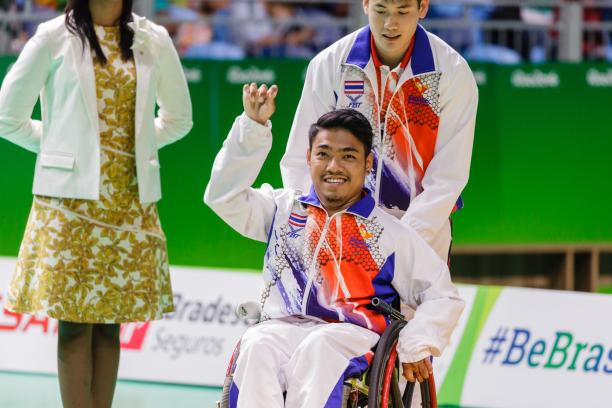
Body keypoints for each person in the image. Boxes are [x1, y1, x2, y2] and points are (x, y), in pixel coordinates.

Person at [204, 83, 464, 407]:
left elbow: (442, 295)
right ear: (308, 157)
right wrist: (252, 128)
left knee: (320, 347)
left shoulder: (390, 233)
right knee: (256, 343)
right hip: (282, 329)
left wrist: (418, 343)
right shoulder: (282, 209)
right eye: (323, 154)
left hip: (349, 335)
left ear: (368, 163)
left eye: (348, 156)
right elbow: (223, 197)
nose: (333, 167)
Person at [0, 0, 192, 406]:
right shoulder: (53, 37)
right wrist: (63, 149)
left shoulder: (152, 39)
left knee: (110, 325)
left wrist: (134, 150)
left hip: (129, 199)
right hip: (68, 204)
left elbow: (178, 119)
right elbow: (7, 116)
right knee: (73, 325)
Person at [280, 0, 478, 262]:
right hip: (339, 237)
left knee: (419, 305)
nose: (390, 24)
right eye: (381, 10)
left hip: (421, 241)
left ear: (423, 7)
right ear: (365, 4)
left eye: (402, 11)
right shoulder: (329, 65)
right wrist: (320, 226)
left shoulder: (452, 73)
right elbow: (301, 159)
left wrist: (403, 242)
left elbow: (448, 176)